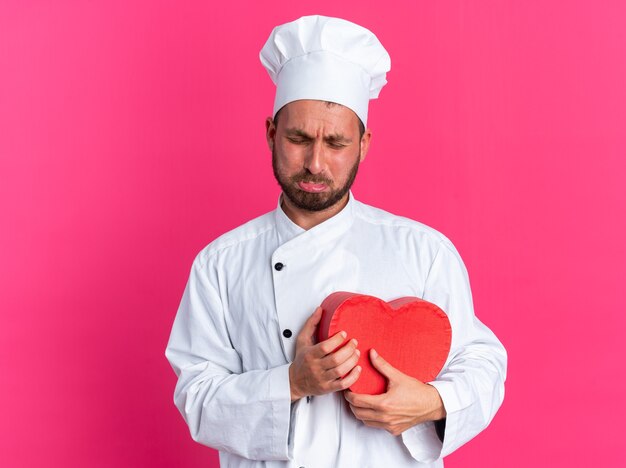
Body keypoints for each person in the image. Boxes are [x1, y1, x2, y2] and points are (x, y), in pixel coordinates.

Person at [166, 15, 507, 468]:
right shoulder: (220, 264)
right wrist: (291, 382)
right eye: (298, 138)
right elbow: (196, 397)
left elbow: (482, 364)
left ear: (363, 144)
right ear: (271, 133)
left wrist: (431, 402)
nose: (315, 163)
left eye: (336, 142)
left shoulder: (423, 251)